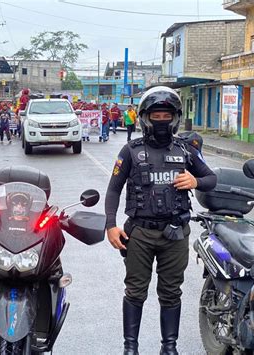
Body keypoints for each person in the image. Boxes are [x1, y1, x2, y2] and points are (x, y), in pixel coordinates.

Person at [104, 87, 217, 355]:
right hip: (140, 234)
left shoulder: (186, 149)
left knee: (171, 293)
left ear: (175, 117)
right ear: (145, 117)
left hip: (175, 234)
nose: (162, 119)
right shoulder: (130, 151)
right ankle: (130, 348)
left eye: (167, 114)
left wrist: (195, 180)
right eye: (156, 114)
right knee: (135, 292)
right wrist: (110, 225)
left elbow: (211, 179)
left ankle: (170, 348)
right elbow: (113, 189)